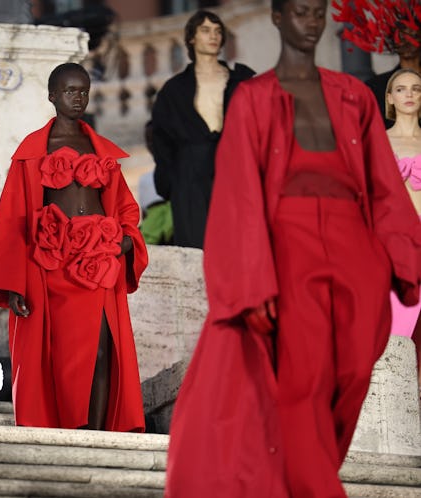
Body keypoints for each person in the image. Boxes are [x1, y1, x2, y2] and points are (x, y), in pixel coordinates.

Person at [164, 0, 421, 496]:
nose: (312, 23)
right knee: (302, 380)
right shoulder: (255, 97)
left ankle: (304, 475)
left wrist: (407, 260)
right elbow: (238, 192)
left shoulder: (354, 96)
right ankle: (316, 487)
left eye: (318, 14)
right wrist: (250, 280)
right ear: (279, 19)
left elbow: (385, 183)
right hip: (290, 250)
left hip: (356, 253)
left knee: (348, 376)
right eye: (301, 13)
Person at [0, 63, 148, 432]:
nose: (78, 98)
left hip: (100, 258)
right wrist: (14, 283)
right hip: (54, 262)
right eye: (70, 91)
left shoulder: (100, 149)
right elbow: (13, 219)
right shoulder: (34, 150)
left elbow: (125, 206)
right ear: (52, 95)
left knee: (104, 349)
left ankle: (100, 435)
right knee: (63, 355)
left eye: (84, 91)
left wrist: (128, 239)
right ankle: (73, 430)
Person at [151, 10, 254, 249]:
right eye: (205, 30)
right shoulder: (174, 90)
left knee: (241, 245)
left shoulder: (243, 80)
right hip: (189, 178)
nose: (213, 36)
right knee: (197, 251)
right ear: (191, 38)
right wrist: (172, 183)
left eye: (218, 31)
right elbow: (162, 142)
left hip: (236, 170)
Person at [385, 68, 421, 387]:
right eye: (401, 89)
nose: (409, 94)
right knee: (399, 328)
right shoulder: (379, 142)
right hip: (395, 245)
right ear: (390, 98)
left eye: (416, 89)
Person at [334, 0, 421, 128]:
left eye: (412, 34)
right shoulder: (374, 88)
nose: (406, 41)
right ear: (393, 40)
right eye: (400, 36)